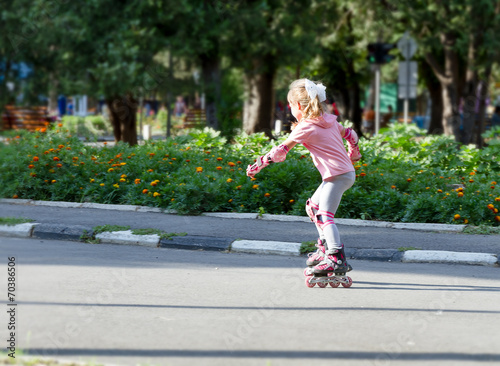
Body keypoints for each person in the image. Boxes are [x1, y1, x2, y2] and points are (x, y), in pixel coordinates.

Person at [246, 78, 361, 283]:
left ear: (298, 106)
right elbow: (352, 134)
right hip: (343, 174)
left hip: (337, 176)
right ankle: (324, 249)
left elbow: (281, 151)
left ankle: (335, 257)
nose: (290, 109)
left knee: (325, 214)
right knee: (313, 207)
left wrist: (259, 164)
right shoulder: (329, 121)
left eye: (290, 106)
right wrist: (354, 151)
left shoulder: (306, 126)